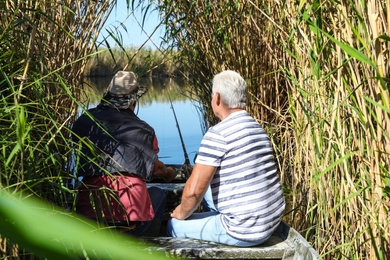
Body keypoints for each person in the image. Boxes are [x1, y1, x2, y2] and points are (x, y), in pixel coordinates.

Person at [167, 70, 285, 246]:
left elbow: (193, 192)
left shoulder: (218, 134)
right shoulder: (256, 127)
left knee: (173, 226)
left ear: (217, 99)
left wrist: (180, 213)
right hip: (271, 221)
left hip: (244, 230)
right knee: (206, 190)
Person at [72, 70, 177, 236]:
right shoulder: (144, 130)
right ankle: (145, 244)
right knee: (158, 194)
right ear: (133, 101)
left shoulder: (84, 121)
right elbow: (156, 170)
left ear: (107, 96)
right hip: (129, 225)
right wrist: (169, 173)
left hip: (90, 220)